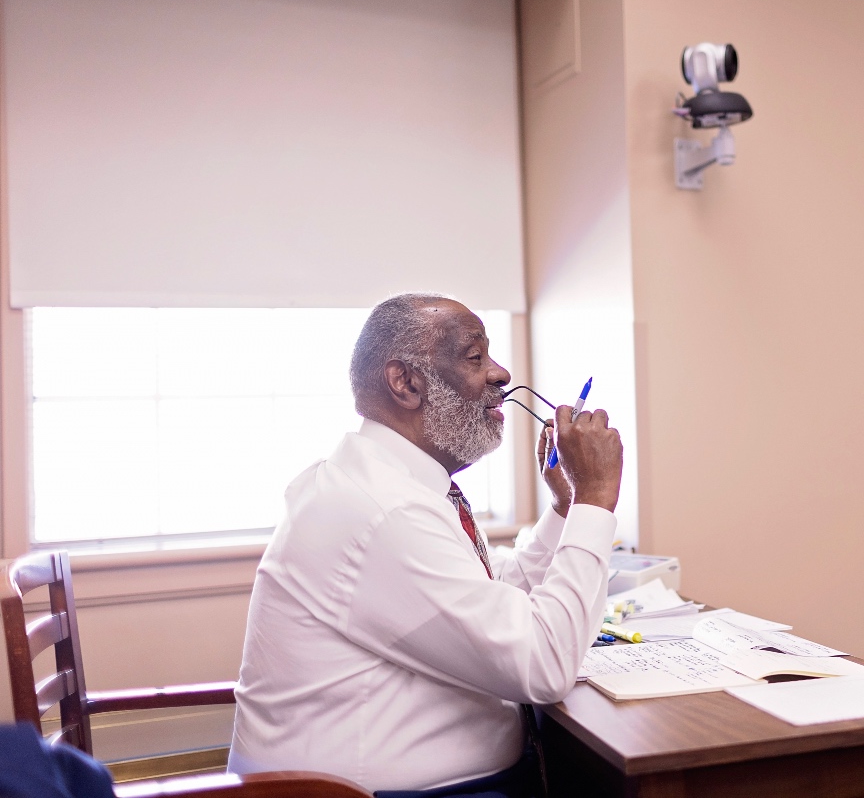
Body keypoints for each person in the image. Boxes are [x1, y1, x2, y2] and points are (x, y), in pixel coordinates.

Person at [228, 293, 623, 797]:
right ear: (406, 383)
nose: (501, 373)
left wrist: (567, 508)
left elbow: (486, 596)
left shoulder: (388, 484)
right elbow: (544, 663)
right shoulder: (384, 511)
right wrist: (596, 498)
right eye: (475, 356)